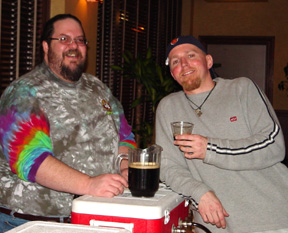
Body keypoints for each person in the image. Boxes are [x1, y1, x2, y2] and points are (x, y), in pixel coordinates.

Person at [0, 14, 136, 232]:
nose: (74, 46)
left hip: (94, 215)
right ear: (45, 46)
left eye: (80, 40)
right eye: (64, 39)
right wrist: (89, 185)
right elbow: (30, 160)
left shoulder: (98, 88)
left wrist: (124, 165)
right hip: (35, 222)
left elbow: (125, 137)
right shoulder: (24, 93)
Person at [156, 35, 288, 233]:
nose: (183, 64)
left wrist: (210, 148)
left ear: (208, 61)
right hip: (213, 225)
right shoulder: (168, 107)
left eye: (191, 55)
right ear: (172, 74)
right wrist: (199, 193)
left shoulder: (242, 88)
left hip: (270, 219)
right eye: (175, 61)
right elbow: (168, 167)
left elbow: (274, 145)